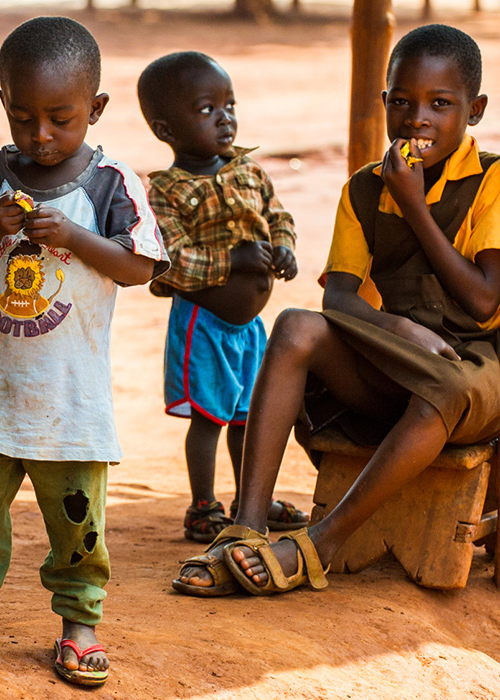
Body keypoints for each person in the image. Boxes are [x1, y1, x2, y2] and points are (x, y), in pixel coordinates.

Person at [175, 23, 500, 597]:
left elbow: (483, 301)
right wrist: (398, 327)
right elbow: (339, 298)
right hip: (399, 358)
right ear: (385, 102)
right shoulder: (364, 189)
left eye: (440, 104)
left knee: (443, 388)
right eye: (402, 102)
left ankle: (319, 543)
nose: (417, 119)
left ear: (474, 110)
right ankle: (245, 527)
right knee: (295, 326)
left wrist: (414, 205)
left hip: (476, 370)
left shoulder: (493, 179)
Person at [0, 16, 168, 687]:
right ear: (4, 102)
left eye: (61, 119)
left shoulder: (111, 183)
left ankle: (80, 620)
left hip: (71, 397)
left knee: (77, 521)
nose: (40, 135)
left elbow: (140, 268)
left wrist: (77, 238)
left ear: (96, 107)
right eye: (23, 117)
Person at [136, 52, 308, 558]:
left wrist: (284, 248)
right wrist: (232, 260)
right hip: (204, 324)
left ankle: (252, 500)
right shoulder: (165, 191)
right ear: (166, 130)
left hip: (249, 328)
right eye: (207, 109)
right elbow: (170, 260)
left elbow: (278, 217)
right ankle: (203, 505)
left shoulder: (249, 171)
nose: (225, 118)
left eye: (229, 105)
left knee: (248, 417)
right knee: (209, 418)